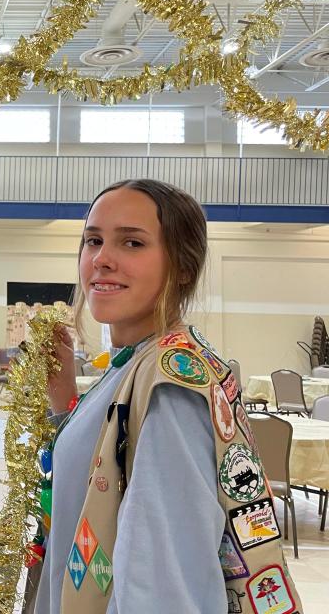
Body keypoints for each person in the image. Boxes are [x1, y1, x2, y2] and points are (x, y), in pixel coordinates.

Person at [28, 179, 302, 614]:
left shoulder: (168, 386)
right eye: (93, 240)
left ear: (184, 266)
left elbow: (162, 586)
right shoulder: (140, 362)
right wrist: (64, 404)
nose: (102, 259)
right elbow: (104, 475)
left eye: (132, 243)